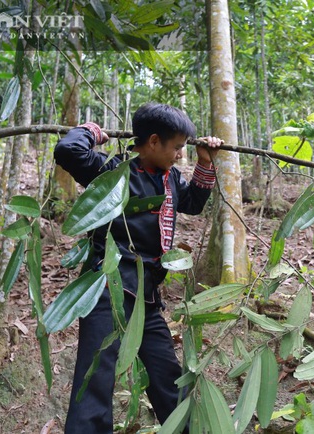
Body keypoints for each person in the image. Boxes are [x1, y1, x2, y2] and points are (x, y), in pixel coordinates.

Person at [54, 103, 222, 433]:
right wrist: (91, 131)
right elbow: (67, 150)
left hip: (146, 298)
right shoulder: (113, 173)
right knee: (96, 379)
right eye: (177, 148)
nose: (179, 156)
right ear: (154, 141)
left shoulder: (170, 177)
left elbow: (192, 203)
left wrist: (205, 162)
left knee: (167, 376)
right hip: (107, 291)